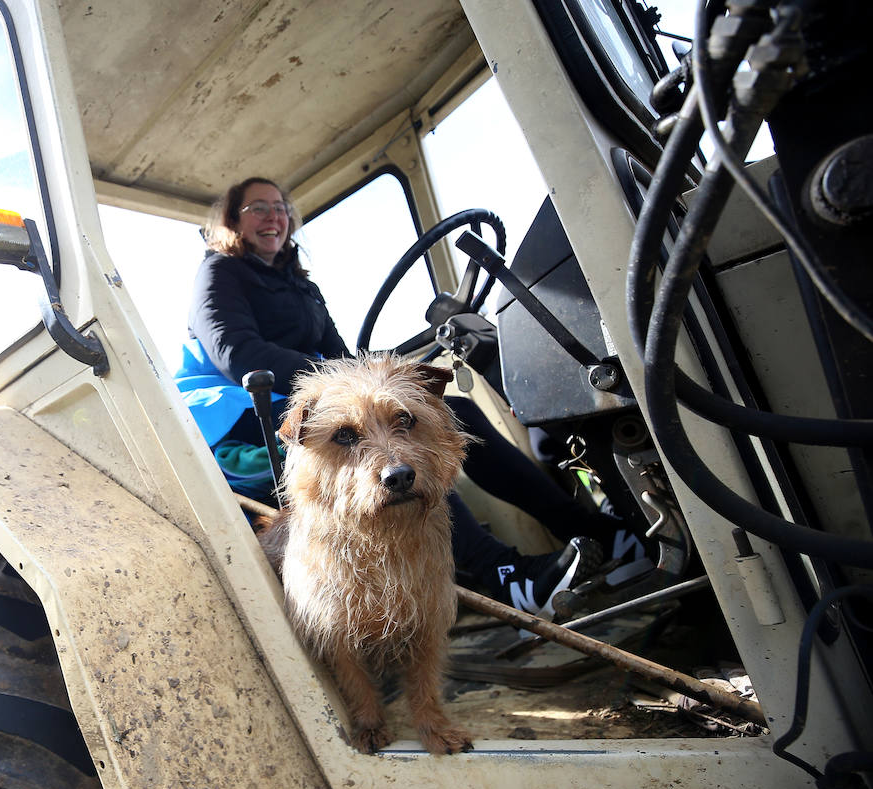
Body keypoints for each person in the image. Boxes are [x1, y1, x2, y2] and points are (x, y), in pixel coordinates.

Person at [177, 176, 638, 615]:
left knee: (446, 414)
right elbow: (237, 354)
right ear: (232, 222)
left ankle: (593, 531)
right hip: (244, 412)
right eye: (259, 208)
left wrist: (392, 377)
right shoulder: (219, 272)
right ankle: (507, 578)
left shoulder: (303, 286)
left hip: (323, 397)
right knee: (405, 438)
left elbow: (345, 355)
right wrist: (343, 382)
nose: (273, 216)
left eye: (280, 207)